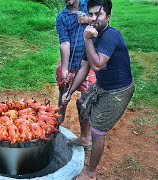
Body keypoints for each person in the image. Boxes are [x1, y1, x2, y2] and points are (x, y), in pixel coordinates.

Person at [62, 0, 134, 179]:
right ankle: (84, 138)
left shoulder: (110, 36)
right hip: (103, 85)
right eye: (91, 14)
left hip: (117, 90)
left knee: (99, 132)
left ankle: (90, 173)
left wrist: (87, 39)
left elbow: (97, 65)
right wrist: (69, 92)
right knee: (81, 103)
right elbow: (83, 67)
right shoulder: (93, 37)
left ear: (108, 17)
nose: (93, 19)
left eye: (98, 14)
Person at [55, 0, 96, 149]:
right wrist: (65, 68)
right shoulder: (61, 17)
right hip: (70, 63)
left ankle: (86, 137)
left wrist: (87, 20)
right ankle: (57, 122)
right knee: (63, 91)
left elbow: (103, 21)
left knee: (85, 101)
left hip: (89, 63)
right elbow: (64, 43)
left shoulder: (89, 4)